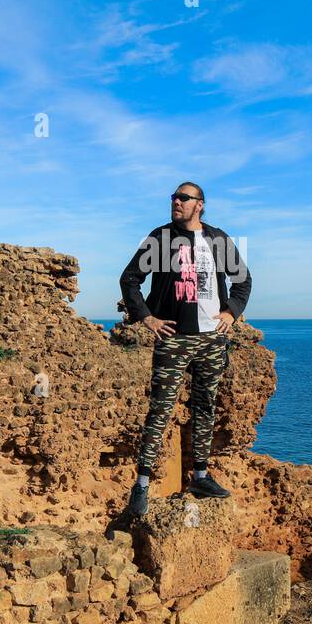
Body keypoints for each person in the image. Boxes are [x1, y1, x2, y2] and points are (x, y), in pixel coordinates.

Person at [117, 181, 251, 517]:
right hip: (174, 338)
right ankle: (142, 485)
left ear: (200, 204)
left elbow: (243, 280)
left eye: (183, 198)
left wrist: (230, 313)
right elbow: (130, 279)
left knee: (206, 406)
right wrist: (147, 318)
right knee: (160, 411)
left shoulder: (218, 239)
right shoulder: (161, 238)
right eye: (174, 197)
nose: (176, 202)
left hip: (212, 339)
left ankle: (201, 476)